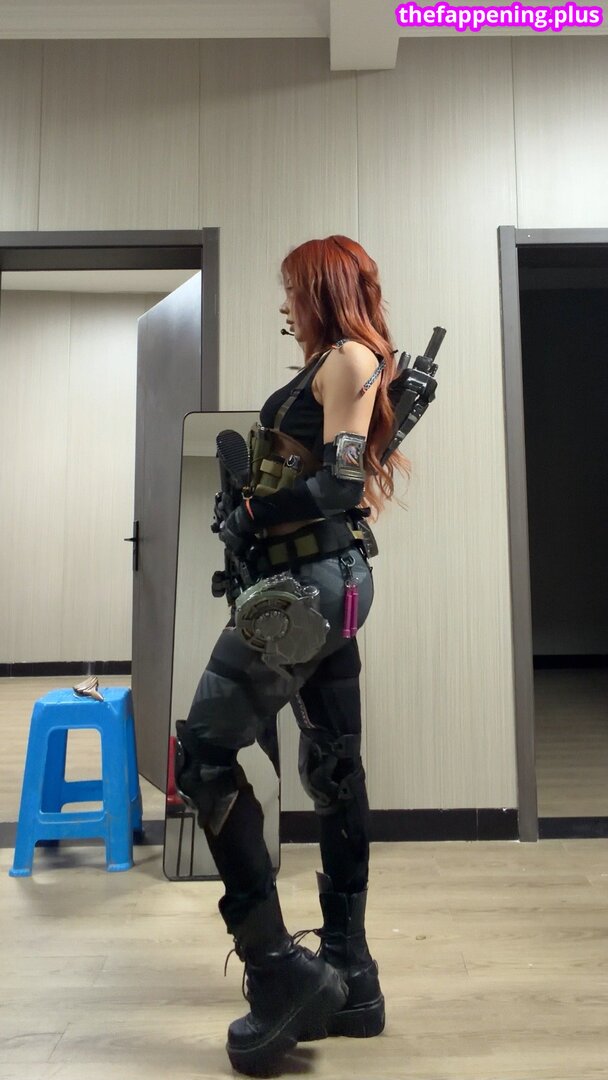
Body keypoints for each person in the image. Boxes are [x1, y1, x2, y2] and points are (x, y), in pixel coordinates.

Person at [174, 235, 409, 1077]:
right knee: (335, 765)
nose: (284, 306)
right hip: (318, 586)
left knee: (203, 756)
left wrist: (251, 517)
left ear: (320, 288)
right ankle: (350, 976)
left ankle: (278, 974)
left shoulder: (349, 358)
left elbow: (339, 487)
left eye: (291, 291)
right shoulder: (340, 361)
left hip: (304, 591)